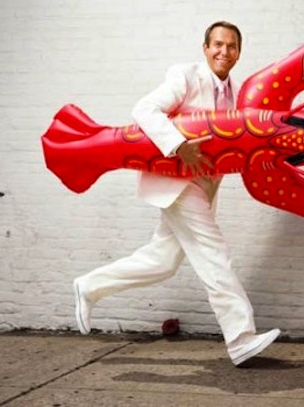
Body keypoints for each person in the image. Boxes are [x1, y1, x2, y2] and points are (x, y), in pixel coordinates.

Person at [72, 21, 281, 366]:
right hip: (176, 183)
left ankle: (90, 286)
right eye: (217, 44)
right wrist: (178, 144)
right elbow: (144, 109)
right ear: (205, 48)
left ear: (239, 53)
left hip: (206, 185)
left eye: (231, 46)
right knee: (213, 254)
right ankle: (240, 338)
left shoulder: (239, 92)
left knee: (163, 261)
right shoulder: (185, 76)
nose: (224, 52)